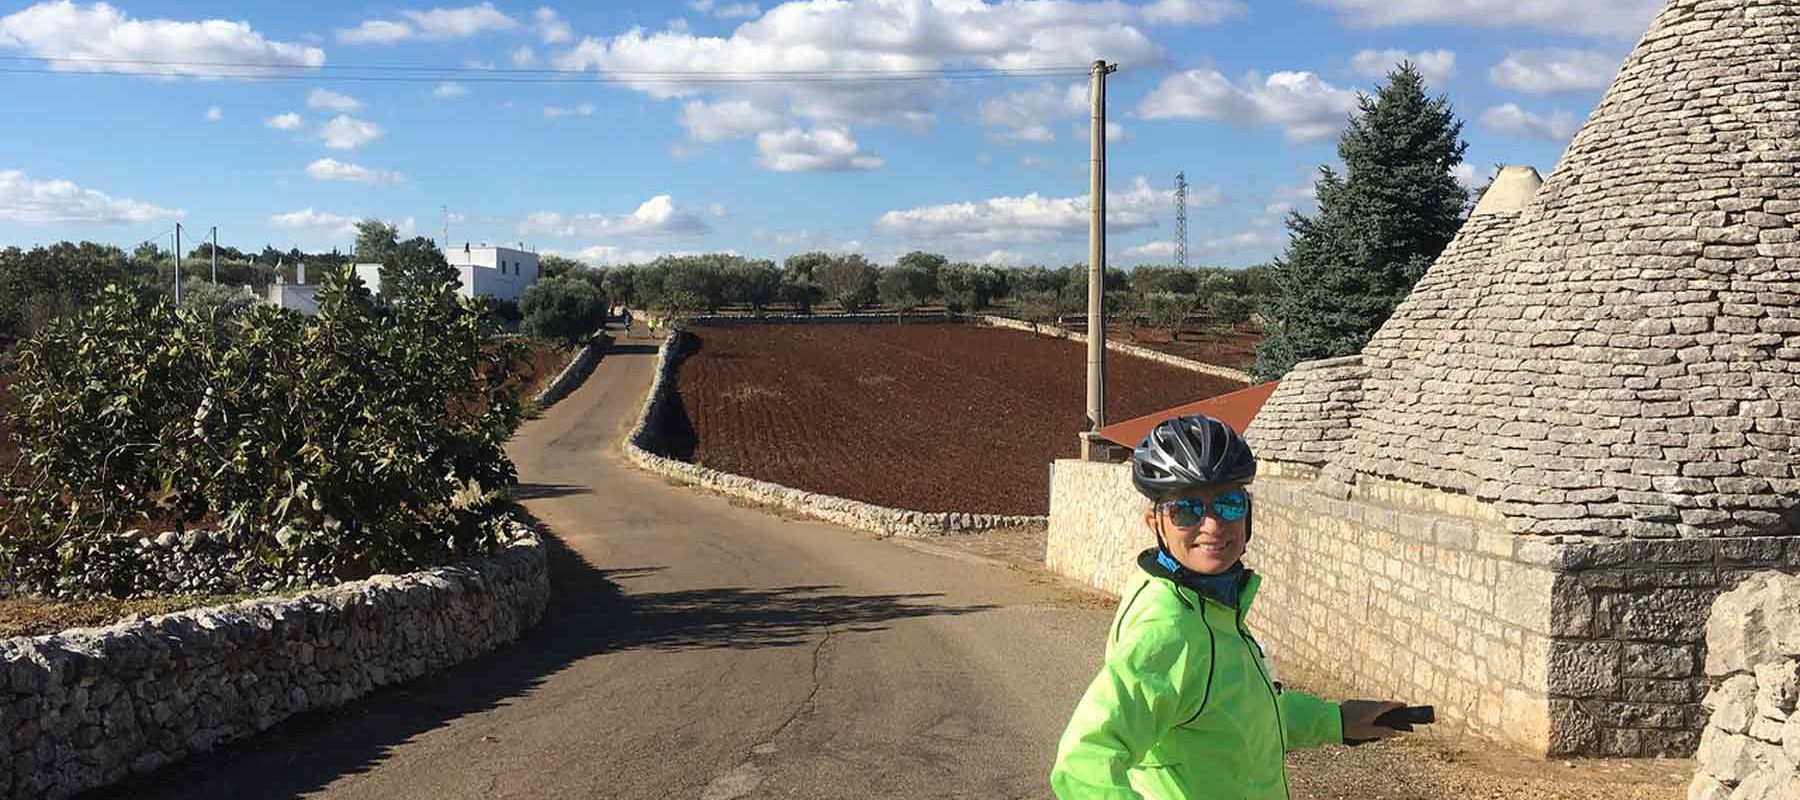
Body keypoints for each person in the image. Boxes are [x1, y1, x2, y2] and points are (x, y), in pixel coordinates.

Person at [1051, 415, 1408, 800]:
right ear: (1155, 523)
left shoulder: (1207, 605)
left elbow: (1237, 716)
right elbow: (1084, 762)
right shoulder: (1171, 629)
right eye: (1186, 510)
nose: (1213, 525)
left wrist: (1335, 721)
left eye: (1229, 502)